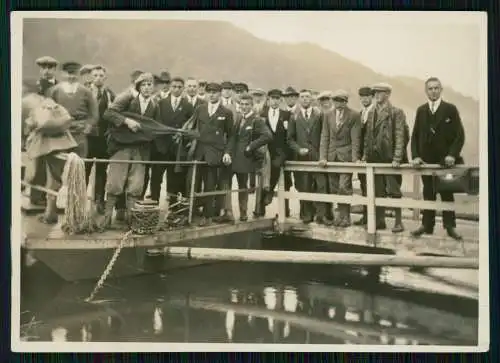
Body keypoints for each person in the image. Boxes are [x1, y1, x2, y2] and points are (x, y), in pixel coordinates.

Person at [102, 72, 161, 228]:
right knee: (115, 183)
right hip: (121, 146)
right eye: (144, 85)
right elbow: (108, 113)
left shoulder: (155, 105)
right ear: (138, 87)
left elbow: (154, 126)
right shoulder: (127, 98)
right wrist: (127, 121)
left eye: (150, 85)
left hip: (141, 150)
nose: (148, 88)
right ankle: (107, 218)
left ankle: (131, 220)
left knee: (136, 186)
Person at [410, 77, 465, 240]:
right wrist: (416, 156)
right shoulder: (421, 110)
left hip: (445, 163)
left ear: (441, 90)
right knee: (428, 192)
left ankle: (450, 227)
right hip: (426, 162)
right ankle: (427, 225)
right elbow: (415, 136)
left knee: (447, 193)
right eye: (430, 89)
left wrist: (452, 155)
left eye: (436, 88)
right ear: (426, 91)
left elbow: (460, 136)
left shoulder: (450, 109)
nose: (433, 91)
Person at [362, 82, 408, 232]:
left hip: (389, 159)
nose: (376, 95)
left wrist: (397, 157)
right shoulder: (371, 112)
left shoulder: (396, 112)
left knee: (394, 191)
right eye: (375, 92)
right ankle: (380, 221)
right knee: (377, 190)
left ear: (387, 94)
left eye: (380, 92)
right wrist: (365, 154)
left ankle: (398, 222)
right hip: (374, 158)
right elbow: (367, 136)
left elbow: (400, 136)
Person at [152, 77, 194, 214]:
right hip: (161, 147)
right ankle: (153, 205)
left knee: (174, 178)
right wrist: (160, 143)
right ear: (170, 87)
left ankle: (173, 209)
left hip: (177, 149)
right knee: (156, 177)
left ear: (183, 89)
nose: (176, 89)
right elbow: (156, 124)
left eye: (179, 87)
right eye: (174, 86)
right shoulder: (161, 103)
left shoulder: (188, 106)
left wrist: (182, 137)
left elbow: (190, 126)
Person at [319, 90, 361, 227]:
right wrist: (323, 157)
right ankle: (339, 217)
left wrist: (355, 158)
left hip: (346, 156)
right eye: (336, 101)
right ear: (333, 101)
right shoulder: (328, 115)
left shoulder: (354, 115)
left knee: (344, 187)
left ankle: (346, 217)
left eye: (342, 101)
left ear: (346, 101)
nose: (339, 104)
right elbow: (325, 136)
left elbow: (356, 139)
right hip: (331, 157)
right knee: (334, 187)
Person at [230, 94, 272, 221]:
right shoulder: (238, 119)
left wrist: (251, 146)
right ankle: (226, 212)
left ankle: (243, 213)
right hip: (232, 157)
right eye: (242, 104)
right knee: (225, 184)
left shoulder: (256, 120)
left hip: (245, 158)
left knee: (243, 186)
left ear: (252, 106)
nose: (244, 107)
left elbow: (268, 136)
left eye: (247, 104)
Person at [287, 89, 325, 224]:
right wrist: (298, 149)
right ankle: (306, 214)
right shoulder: (294, 116)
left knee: (320, 185)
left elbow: (323, 135)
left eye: (307, 97)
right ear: (299, 99)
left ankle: (322, 215)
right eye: (302, 97)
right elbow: (290, 139)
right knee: (304, 186)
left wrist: (322, 153)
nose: (305, 99)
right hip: (301, 158)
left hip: (316, 156)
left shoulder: (319, 115)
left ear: (311, 99)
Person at [47, 61, 99, 158]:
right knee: (60, 162)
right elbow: (48, 112)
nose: (71, 77)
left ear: (78, 74)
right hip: (61, 133)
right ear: (62, 74)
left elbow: (94, 113)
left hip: (80, 133)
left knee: (79, 162)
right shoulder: (54, 91)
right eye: (68, 73)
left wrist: (88, 127)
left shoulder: (86, 92)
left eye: (74, 74)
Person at [29, 56, 59, 207]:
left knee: (56, 164)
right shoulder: (35, 87)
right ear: (40, 69)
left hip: (57, 129)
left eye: (50, 68)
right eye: (43, 68)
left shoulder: (60, 87)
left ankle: (53, 197)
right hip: (40, 130)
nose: (46, 71)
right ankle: (36, 196)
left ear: (54, 69)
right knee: (39, 163)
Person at [86, 65, 116, 214]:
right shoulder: (84, 92)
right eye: (95, 75)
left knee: (102, 171)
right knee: (84, 170)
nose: (98, 78)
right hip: (87, 138)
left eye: (101, 76)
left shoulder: (110, 94)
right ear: (91, 77)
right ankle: (80, 200)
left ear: (105, 78)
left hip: (103, 139)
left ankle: (99, 200)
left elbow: (115, 114)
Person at [257, 89, 291, 217]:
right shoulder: (262, 114)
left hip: (280, 150)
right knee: (262, 174)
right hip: (265, 149)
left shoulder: (286, 115)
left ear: (280, 100)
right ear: (268, 99)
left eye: (277, 99)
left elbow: (289, 135)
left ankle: (270, 190)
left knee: (276, 165)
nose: (275, 101)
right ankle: (260, 209)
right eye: (273, 98)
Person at [353, 86, 375, 226]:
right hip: (362, 158)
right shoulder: (360, 114)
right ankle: (367, 217)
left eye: (367, 96)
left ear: (371, 97)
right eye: (362, 97)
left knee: (374, 188)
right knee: (364, 187)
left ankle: (375, 219)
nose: (364, 99)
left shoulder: (376, 112)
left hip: (373, 157)